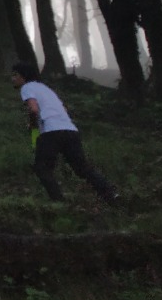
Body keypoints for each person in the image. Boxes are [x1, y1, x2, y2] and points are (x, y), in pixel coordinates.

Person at [11, 62, 119, 205]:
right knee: (82, 168)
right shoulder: (46, 89)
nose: (12, 78)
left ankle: (59, 203)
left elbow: (34, 110)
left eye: (15, 75)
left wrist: (32, 124)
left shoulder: (27, 87)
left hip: (51, 132)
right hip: (70, 130)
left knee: (42, 167)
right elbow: (63, 109)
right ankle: (111, 195)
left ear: (23, 76)